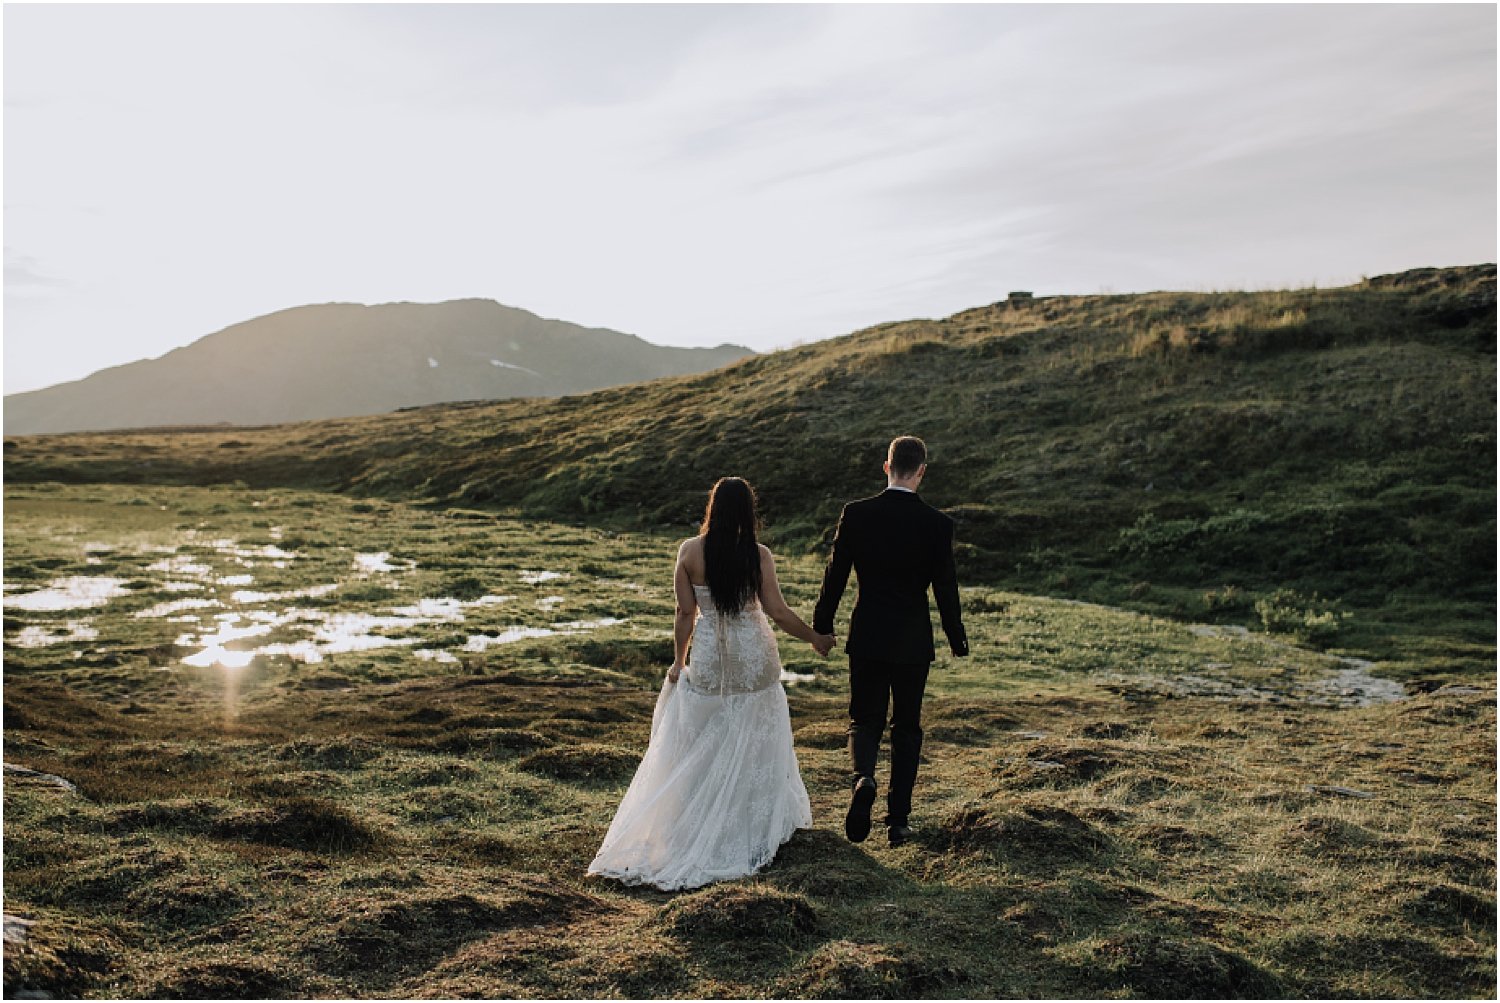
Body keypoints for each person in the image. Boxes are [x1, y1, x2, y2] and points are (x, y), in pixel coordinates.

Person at [588, 476, 835, 890]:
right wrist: (814, 637)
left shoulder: (689, 552)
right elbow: (776, 609)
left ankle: (699, 817)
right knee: (756, 733)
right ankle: (750, 825)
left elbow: (685, 614)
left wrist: (677, 662)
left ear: (713, 508)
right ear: (747, 513)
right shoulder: (759, 555)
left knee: (705, 735)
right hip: (754, 657)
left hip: (711, 658)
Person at [813, 435, 968, 847]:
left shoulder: (857, 514)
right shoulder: (937, 524)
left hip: (867, 633)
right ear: (921, 471)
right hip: (913, 640)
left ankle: (863, 778)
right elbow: (946, 587)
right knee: (907, 727)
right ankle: (898, 821)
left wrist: (822, 625)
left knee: (865, 720)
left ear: (886, 467)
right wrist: (957, 638)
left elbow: (836, 574)